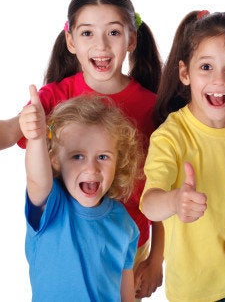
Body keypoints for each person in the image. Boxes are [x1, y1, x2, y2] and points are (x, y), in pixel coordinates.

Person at [0, 0, 164, 298]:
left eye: (113, 32)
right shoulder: (54, 98)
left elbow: (160, 182)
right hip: (66, 237)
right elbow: (9, 130)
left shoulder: (151, 106)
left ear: (131, 38)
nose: (101, 45)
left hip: (127, 242)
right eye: (87, 32)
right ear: (71, 40)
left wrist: (157, 256)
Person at [140, 10, 225, 302]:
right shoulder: (171, 136)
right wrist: (174, 201)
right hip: (194, 290)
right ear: (184, 73)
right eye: (206, 66)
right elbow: (150, 204)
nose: (219, 79)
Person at [20, 93, 140, 301]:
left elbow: (124, 286)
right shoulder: (52, 205)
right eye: (77, 156)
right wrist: (37, 138)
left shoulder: (124, 222)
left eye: (103, 157)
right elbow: (37, 180)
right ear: (55, 160)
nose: (91, 167)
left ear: (118, 160)